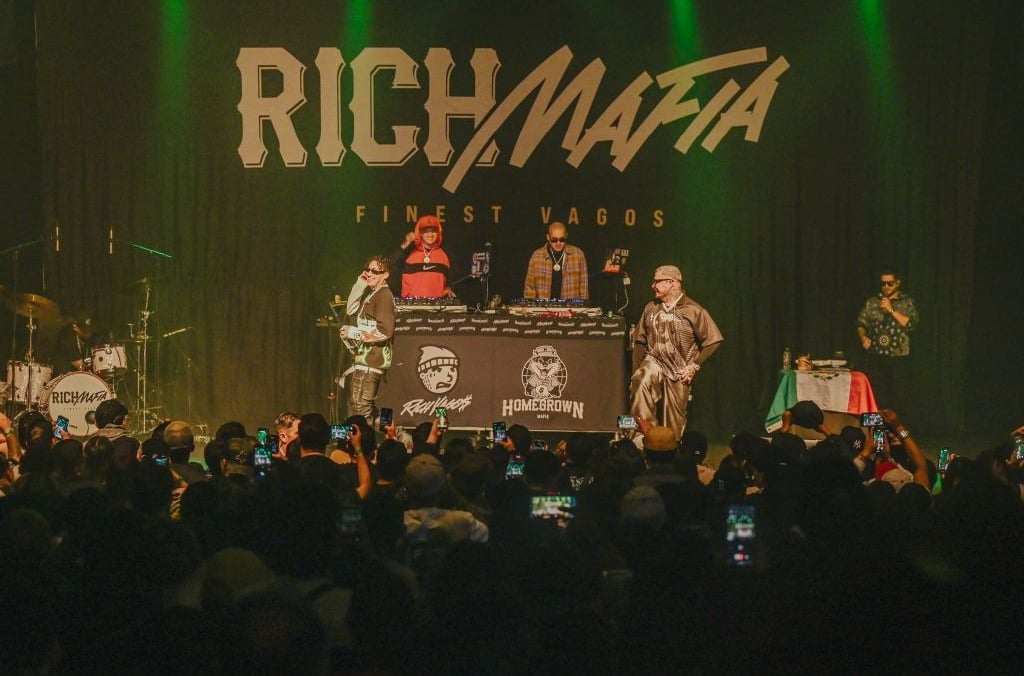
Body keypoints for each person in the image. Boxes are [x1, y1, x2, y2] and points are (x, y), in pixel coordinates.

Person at [630, 265, 723, 438]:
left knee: (673, 420)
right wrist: (635, 372)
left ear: (670, 283)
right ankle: (642, 440)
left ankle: (670, 448)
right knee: (641, 380)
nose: (652, 286)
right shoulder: (651, 307)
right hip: (654, 361)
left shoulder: (693, 309)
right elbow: (639, 341)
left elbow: (713, 340)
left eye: (656, 282)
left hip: (680, 368)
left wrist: (694, 365)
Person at [339, 255, 396, 421]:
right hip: (365, 359)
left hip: (372, 361)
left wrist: (354, 333)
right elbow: (351, 310)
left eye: (375, 271)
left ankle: (394, 433)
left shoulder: (384, 295)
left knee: (361, 408)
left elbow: (385, 331)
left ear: (386, 275)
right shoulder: (373, 294)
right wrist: (360, 284)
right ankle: (391, 432)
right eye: (367, 270)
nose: (369, 273)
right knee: (362, 407)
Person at [855, 270, 918, 408]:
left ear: (897, 283)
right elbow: (861, 324)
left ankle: (898, 423)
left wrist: (891, 310)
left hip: (898, 359)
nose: (886, 287)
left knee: (898, 400)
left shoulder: (907, 302)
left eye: (890, 284)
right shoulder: (872, 302)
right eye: (883, 284)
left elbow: (912, 325)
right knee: (874, 399)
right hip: (875, 357)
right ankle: (876, 423)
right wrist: (863, 337)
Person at [393, 214, 456, 298]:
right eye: (426, 231)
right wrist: (406, 243)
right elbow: (392, 264)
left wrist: (448, 288)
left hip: (438, 304)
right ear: (420, 233)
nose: (430, 234)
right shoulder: (409, 252)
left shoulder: (445, 255)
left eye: (433, 231)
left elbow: (450, 278)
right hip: (411, 304)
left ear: (438, 233)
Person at [522, 221, 589, 300]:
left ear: (566, 236)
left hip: (571, 306)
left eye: (562, 239)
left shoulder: (578, 255)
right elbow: (529, 289)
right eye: (554, 240)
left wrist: (583, 305)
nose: (558, 243)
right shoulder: (536, 256)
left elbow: (584, 288)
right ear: (548, 237)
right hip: (543, 307)